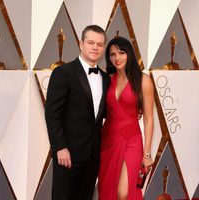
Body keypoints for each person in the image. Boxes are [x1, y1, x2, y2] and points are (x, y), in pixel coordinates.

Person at [45, 25, 110, 200]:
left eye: (100, 44)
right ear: (81, 44)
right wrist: (60, 147)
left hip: (92, 156)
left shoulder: (105, 78)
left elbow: (101, 114)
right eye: (91, 42)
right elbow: (52, 114)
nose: (95, 47)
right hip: (68, 154)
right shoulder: (63, 73)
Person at [98, 36, 154, 200]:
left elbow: (149, 119)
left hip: (131, 140)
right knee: (107, 190)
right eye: (112, 54)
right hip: (108, 140)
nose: (117, 58)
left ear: (129, 53)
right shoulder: (108, 79)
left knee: (124, 193)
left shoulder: (143, 80)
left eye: (121, 53)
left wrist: (147, 153)